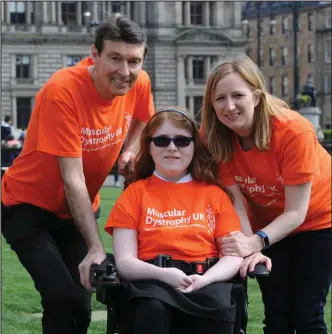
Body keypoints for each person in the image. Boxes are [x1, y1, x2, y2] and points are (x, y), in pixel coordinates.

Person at [1, 14, 155, 334]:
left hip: (77, 211)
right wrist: (96, 247)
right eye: (114, 58)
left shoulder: (139, 82)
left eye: (133, 61)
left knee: (82, 305)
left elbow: (143, 118)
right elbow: (72, 178)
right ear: (94, 54)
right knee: (60, 298)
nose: (124, 71)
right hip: (26, 207)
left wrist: (129, 150)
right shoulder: (63, 89)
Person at [104, 108, 268, 334]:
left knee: (218, 309)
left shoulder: (214, 194)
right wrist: (164, 275)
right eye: (161, 140)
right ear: (149, 147)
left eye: (181, 140)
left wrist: (205, 280)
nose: (172, 147)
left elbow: (231, 256)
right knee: (153, 309)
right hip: (153, 281)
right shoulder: (134, 194)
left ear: (194, 146)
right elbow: (125, 262)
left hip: (208, 279)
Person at [200, 53, 332, 333]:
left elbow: (297, 212)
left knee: (307, 314)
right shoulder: (214, 135)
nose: (230, 106)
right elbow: (235, 200)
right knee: (277, 314)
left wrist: (256, 242)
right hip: (265, 222)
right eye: (220, 98)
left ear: (257, 96)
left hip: (319, 219)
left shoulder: (293, 130)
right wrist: (249, 247)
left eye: (238, 95)